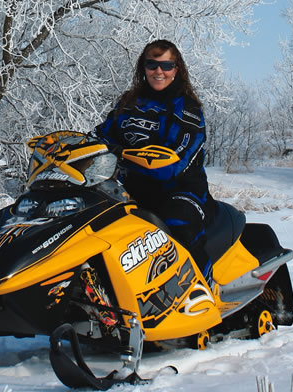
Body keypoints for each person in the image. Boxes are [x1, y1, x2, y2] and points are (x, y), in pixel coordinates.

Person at [93, 39, 216, 286]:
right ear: (143, 68)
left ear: (176, 68)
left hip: (182, 191)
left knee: (177, 223)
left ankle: (205, 289)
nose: (158, 72)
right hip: (132, 191)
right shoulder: (129, 102)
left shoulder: (187, 109)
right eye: (152, 65)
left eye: (166, 65)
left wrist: (121, 154)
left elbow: (173, 164)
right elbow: (102, 135)